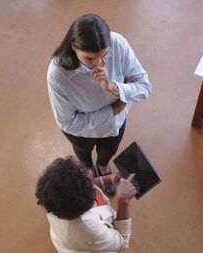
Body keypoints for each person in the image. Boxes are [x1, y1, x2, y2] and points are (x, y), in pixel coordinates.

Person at [47, 14, 151, 176]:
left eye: (104, 56)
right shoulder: (58, 74)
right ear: (74, 46)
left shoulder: (117, 43)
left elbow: (144, 87)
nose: (98, 65)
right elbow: (67, 123)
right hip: (82, 132)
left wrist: (113, 88)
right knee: (83, 152)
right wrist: (115, 109)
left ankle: (102, 166)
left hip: (115, 121)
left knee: (109, 149)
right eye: (89, 58)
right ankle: (88, 169)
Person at [35, 156, 137, 253]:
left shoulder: (53, 199)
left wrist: (107, 179)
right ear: (87, 205)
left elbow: (79, 186)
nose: (90, 172)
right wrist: (123, 202)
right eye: (89, 181)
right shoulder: (89, 230)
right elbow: (122, 243)